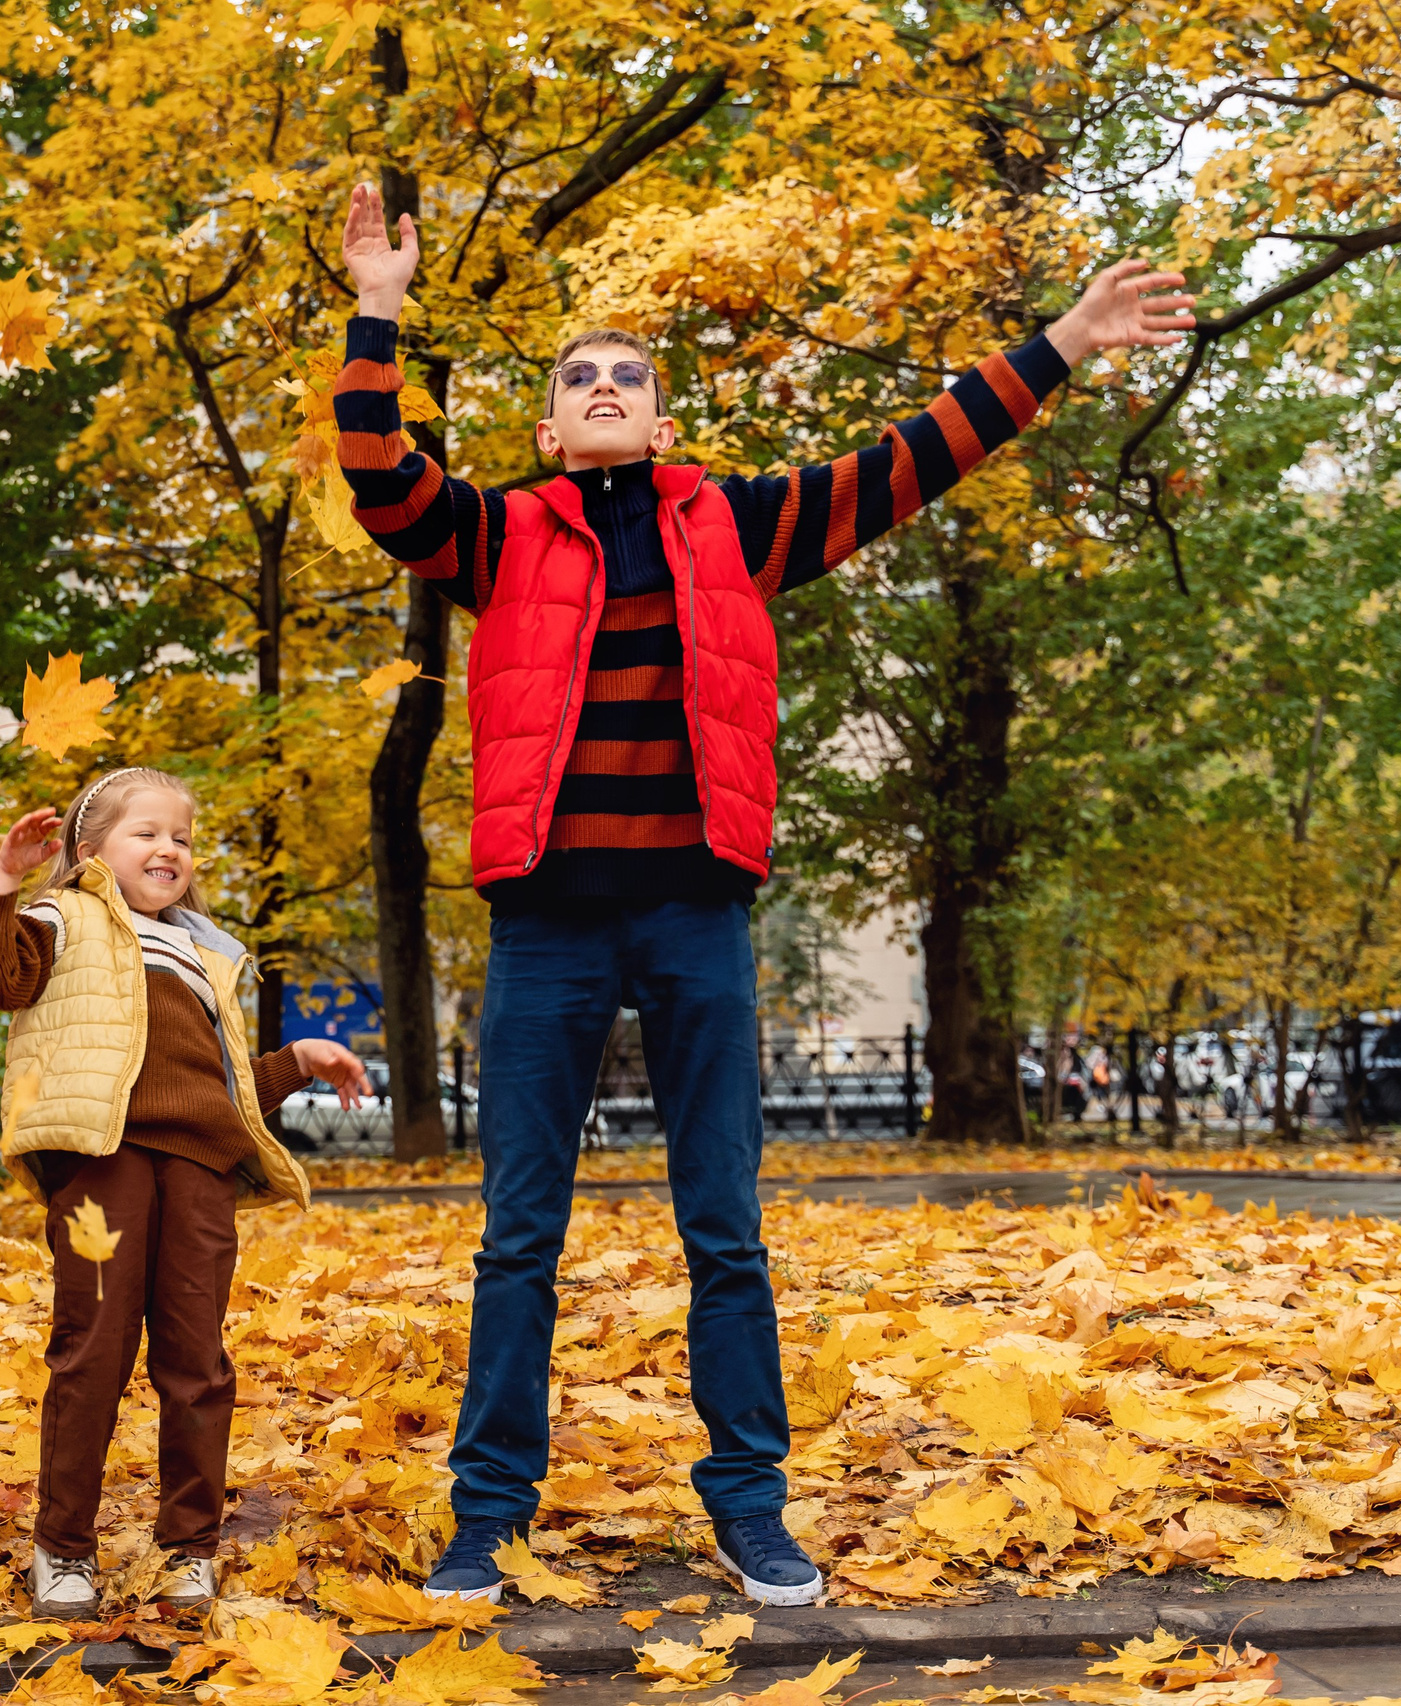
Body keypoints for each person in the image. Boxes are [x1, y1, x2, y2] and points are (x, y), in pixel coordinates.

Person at [330, 183, 1196, 1606]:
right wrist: (379, 309)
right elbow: (379, 475)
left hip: (693, 916)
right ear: (550, 427)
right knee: (518, 1234)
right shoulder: (498, 536)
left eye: (630, 380)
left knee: (722, 1224)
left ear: (663, 422)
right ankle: (488, 1512)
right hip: (547, 922)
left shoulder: (738, 526)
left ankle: (750, 1503)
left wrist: (1064, 342)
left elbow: (911, 458)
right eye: (579, 381)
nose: (605, 391)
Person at [0, 770, 371, 1616]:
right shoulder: (59, 919)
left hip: (198, 1171)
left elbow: (221, 1090)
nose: (168, 849)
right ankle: (63, 1548)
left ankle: (189, 1547)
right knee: (93, 1352)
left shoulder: (205, 951)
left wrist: (302, 1060)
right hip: (102, 1163)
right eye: (145, 833)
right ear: (89, 849)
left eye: (180, 837)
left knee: (196, 1363)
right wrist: (3, 885)